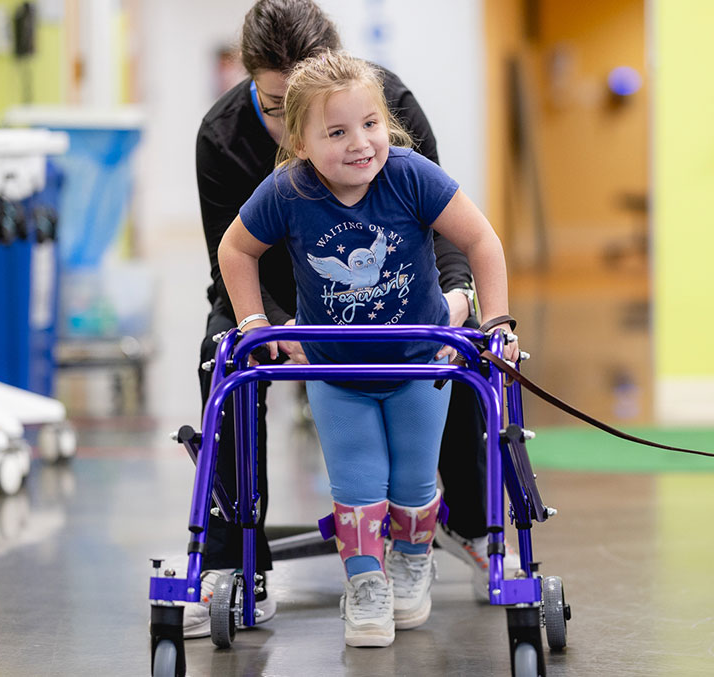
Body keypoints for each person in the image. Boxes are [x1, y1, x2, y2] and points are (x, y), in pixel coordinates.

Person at [190, 0, 512, 640]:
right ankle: (235, 562)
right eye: (282, 105)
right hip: (292, 299)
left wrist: (461, 301)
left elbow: (449, 229)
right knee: (219, 359)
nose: (311, 120)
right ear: (252, 82)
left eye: (363, 123)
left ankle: (468, 525)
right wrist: (273, 331)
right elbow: (229, 254)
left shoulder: (385, 111)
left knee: (464, 351)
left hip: (405, 295)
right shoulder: (225, 138)